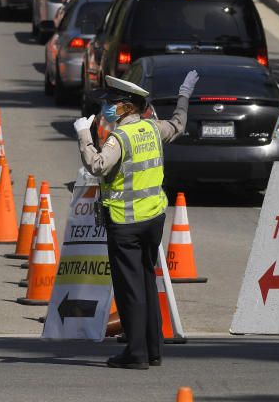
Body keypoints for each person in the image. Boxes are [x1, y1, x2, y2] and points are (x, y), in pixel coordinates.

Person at [73, 71, 198, 369]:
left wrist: (83, 134)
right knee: (145, 280)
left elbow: (98, 165)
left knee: (130, 288)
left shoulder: (120, 137)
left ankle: (137, 354)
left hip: (125, 223)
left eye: (113, 103)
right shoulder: (154, 129)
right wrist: (184, 94)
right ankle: (153, 350)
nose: (108, 108)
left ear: (128, 107)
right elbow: (179, 124)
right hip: (153, 219)